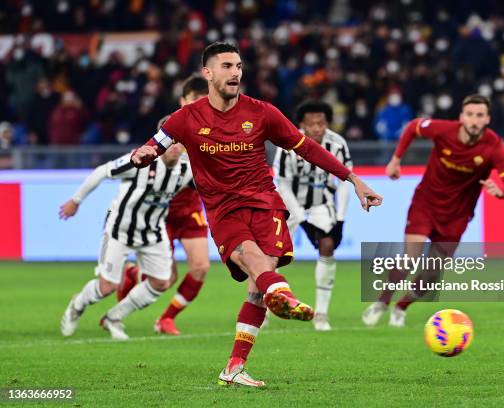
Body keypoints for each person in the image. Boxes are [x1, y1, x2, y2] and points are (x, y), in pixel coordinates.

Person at [130, 42, 382, 387]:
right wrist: (142, 154)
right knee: (253, 259)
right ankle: (283, 294)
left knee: (256, 287)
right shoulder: (186, 118)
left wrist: (353, 179)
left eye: (238, 66)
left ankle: (235, 365)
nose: (235, 72)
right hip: (223, 209)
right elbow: (154, 143)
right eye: (227, 66)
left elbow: (307, 147)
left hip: (266, 204)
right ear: (208, 73)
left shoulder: (262, 112)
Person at [362, 94, 504, 327]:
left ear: (487, 119)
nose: (474, 120)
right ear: (461, 117)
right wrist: (396, 159)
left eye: (480, 115)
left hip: (457, 215)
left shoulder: (494, 146)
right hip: (426, 204)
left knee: (432, 274)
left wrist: (501, 192)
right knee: (410, 259)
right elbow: (413, 127)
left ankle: (401, 306)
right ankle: (382, 302)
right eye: (470, 115)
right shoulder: (443, 130)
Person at [59, 142, 193, 340]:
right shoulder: (140, 159)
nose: (175, 147)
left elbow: (214, 185)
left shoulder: (186, 169)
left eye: (180, 142)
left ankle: (113, 318)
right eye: (171, 142)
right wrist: (76, 200)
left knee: (161, 282)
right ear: (162, 143)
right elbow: (102, 171)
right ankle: (77, 305)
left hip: (153, 232)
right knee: (107, 286)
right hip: (119, 230)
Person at [116, 75, 210, 336]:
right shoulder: (171, 127)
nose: (200, 106)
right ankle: (132, 274)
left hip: (190, 207)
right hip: (160, 212)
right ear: (183, 101)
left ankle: (166, 319)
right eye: (194, 101)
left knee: (201, 267)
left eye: (205, 101)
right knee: (164, 279)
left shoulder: (216, 128)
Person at [273, 100, 352, 331]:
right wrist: (301, 219)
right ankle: (264, 305)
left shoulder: (337, 143)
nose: (317, 128)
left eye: (321, 123)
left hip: (321, 203)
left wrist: (340, 218)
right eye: (312, 124)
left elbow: (346, 181)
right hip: (288, 205)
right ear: (302, 125)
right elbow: (283, 184)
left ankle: (322, 314)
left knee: (327, 245)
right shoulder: (287, 145)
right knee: (271, 255)